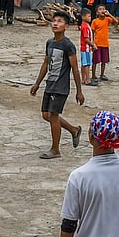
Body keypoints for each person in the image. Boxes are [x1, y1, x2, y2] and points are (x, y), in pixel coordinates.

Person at [30, 11, 85, 159]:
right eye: (54, 21)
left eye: (60, 21)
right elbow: (46, 63)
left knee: (53, 116)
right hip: (50, 84)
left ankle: (55, 149)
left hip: (61, 87)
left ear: (66, 26)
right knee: (46, 115)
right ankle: (73, 130)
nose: (55, 23)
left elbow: (74, 68)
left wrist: (79, 91)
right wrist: (37, 83)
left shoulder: (68, 45)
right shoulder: (50, 43)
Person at [90, 4, 118, 81]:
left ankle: (102, 75)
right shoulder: (95, 21)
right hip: (97, 44)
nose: (102, 10)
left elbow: (116, 21)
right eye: (100, 9)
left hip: (105, 44)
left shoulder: (107, 19)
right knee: (95, 61)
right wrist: (92, 43)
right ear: (97, 13)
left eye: (103, 9)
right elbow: (92, 33)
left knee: (104, 61)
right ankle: (93, 75)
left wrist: (109, 14)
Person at [78, 8, 96, 87]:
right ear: (83, 17)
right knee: (87, 64)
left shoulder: (85, 25)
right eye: (88, 16)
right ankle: (87, 79)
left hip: (84, 48)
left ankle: (83, 79)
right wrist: (92, 45)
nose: (90, 18)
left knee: (84, 63)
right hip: (86, 48)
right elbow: (86, 39)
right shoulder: (85, 27)